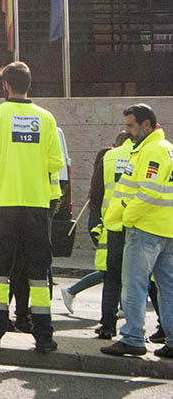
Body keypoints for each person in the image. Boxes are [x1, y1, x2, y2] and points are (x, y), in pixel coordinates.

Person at [0, 61, 64, 354]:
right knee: (39, 272)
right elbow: (56, 162)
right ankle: (43, 335)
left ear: (6, 85)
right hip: (38, 206)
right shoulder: (47, 118)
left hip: (4, 204)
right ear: (28, 85)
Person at [100, 104, 173, 358]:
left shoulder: (152, 151)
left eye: (131, 126)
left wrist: (127, 218)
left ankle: (132, 337)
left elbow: (149, 191)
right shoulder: (164, 149)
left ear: (147, 125)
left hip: (145, 228)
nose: (127, 131)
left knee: (134, 285)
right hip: (165, 229)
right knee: (168, 287)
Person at [62, 143, 118, 315]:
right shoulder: (102, 185)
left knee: (112, 271)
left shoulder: (97, 184)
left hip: (102, 228)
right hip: (105, 230)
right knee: (110, 271)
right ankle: (72, 290)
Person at [97, 130, 140, 338]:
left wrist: (94, 226)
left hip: (113, 226)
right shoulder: (147, 156)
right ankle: (156, 329)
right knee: (144, 282)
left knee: (112, 280)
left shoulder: (110, 156)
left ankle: (107, 326)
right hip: (142, 226)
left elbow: (96, 195)